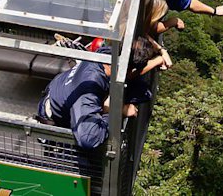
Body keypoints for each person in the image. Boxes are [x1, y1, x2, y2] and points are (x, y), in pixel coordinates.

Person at [37, 37, 166, 149]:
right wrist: (116, 110)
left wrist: (160, 56)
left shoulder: (108, 53)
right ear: (128, 69)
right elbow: (88, 139)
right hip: (54, 114)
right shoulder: (89, 93)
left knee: (143, 92)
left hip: (63, 89)